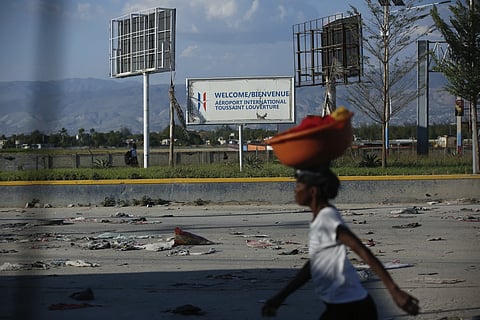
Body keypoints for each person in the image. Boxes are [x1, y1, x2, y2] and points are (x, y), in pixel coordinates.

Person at [262, 165, 419, 319]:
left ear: (313, 191)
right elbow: (313, 265)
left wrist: (394, 291)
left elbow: (362, 251)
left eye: (298, 185)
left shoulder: (327, 218)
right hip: (342, 305)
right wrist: (281, 297)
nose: (295, 191)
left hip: (353, 308)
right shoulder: (320, 219)